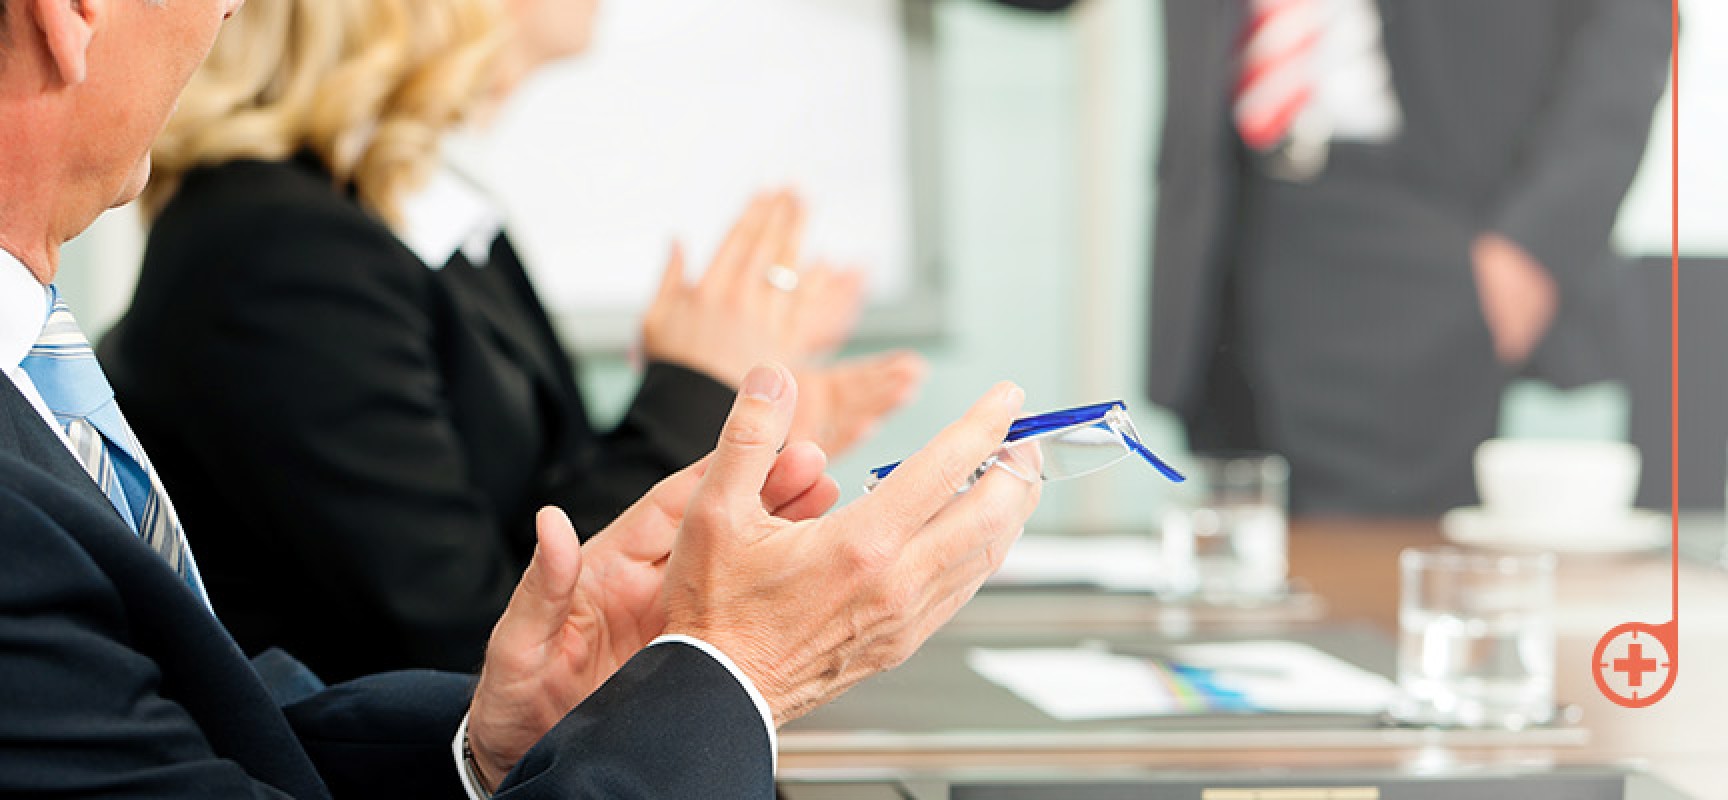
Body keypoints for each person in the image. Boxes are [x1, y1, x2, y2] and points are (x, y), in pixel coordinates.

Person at [0, 2, 1041, 794]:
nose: (232, 10)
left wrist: (486, 737)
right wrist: (731, 669)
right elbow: (440, 607)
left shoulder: (38, 373)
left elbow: (203, 722)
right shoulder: (272, 247)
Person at [97, 0, 926, 682]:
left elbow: (542, 503)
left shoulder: (418, 210)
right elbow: (483, 635)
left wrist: (733, 437)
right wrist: (696, 387)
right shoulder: (275, 249)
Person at [996, 0, 1668, 515]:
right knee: (1242, 584)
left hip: (1419, 225)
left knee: (1372, 601)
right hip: (1228, 218)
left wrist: (1535, 247)